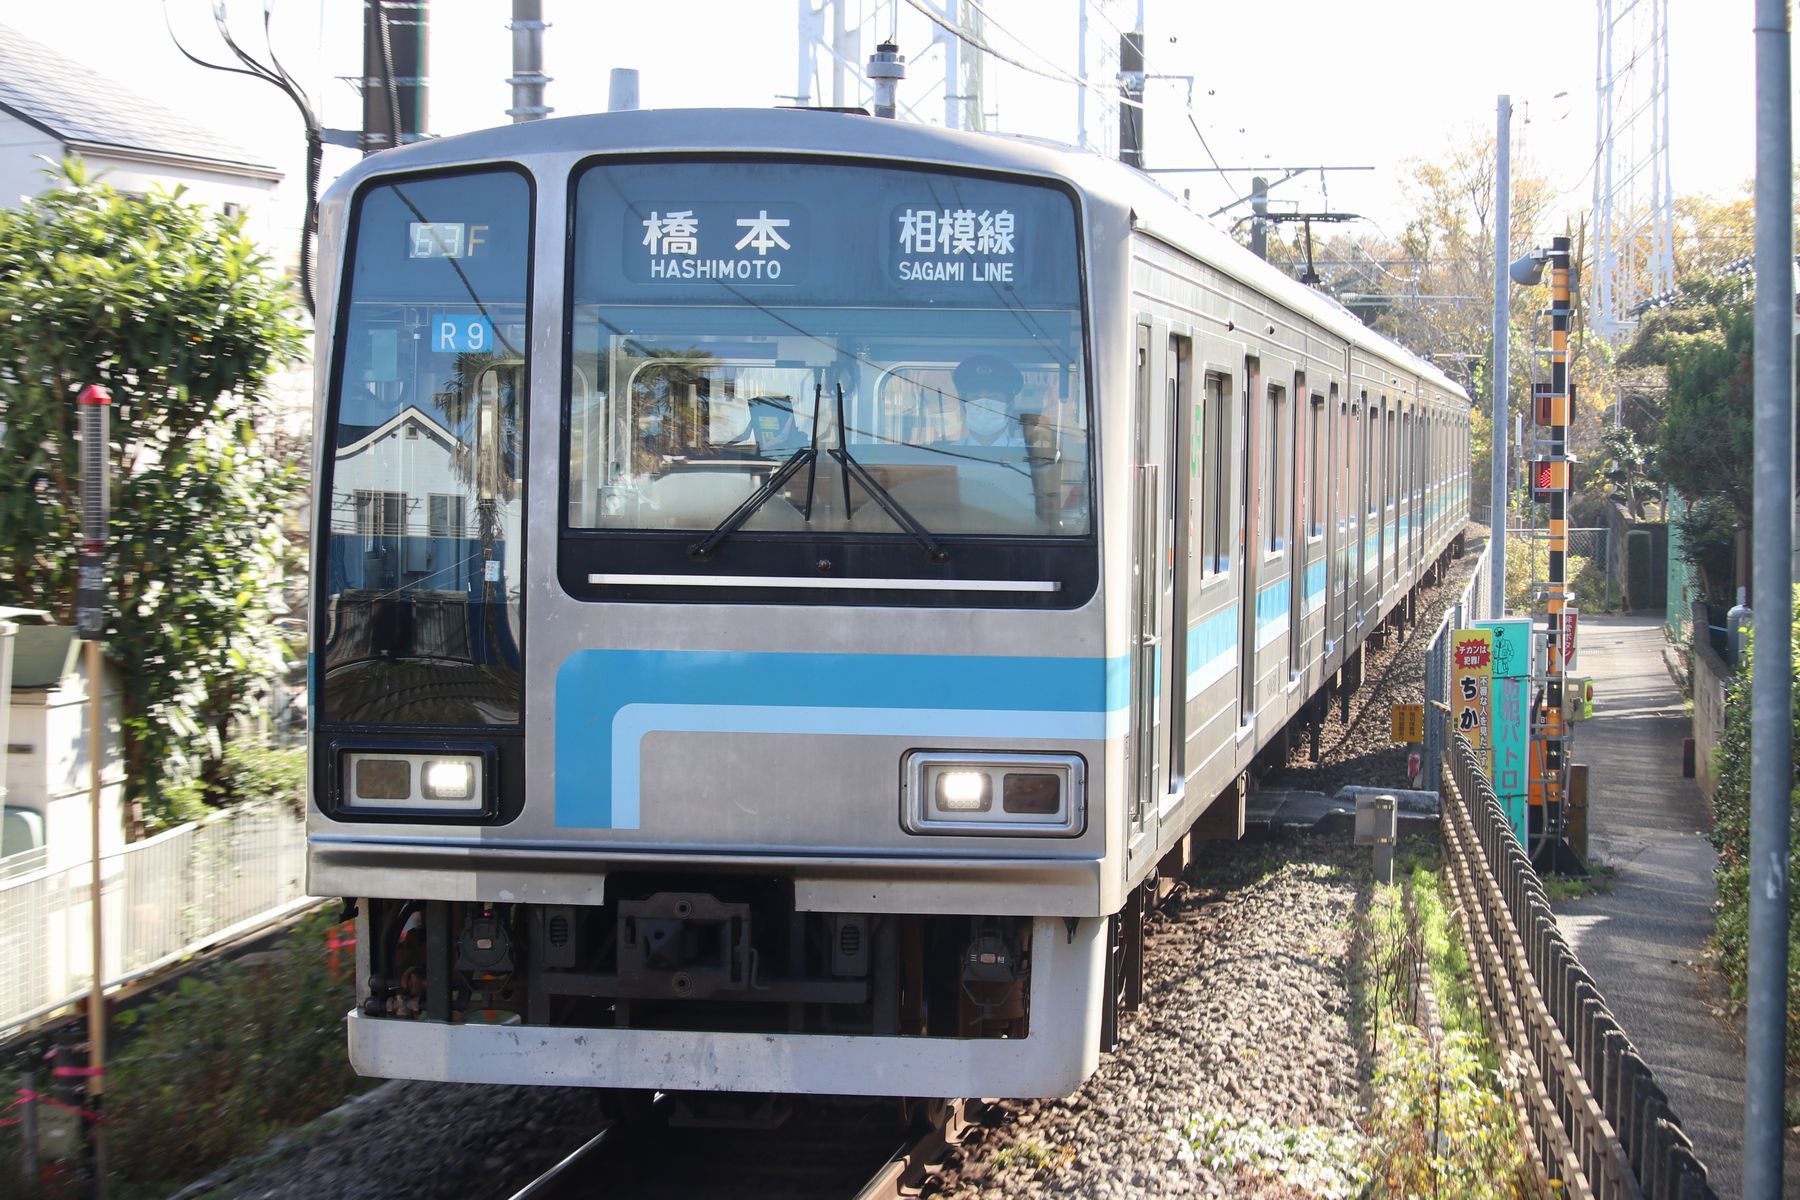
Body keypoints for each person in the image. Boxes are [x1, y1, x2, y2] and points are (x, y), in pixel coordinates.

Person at [947, 353, 1027, 447]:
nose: (984, 404)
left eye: (994, 396)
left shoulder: (1025, 455)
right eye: (976, 396)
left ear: (1010, 407)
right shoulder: (945, 456)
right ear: (963, 406)